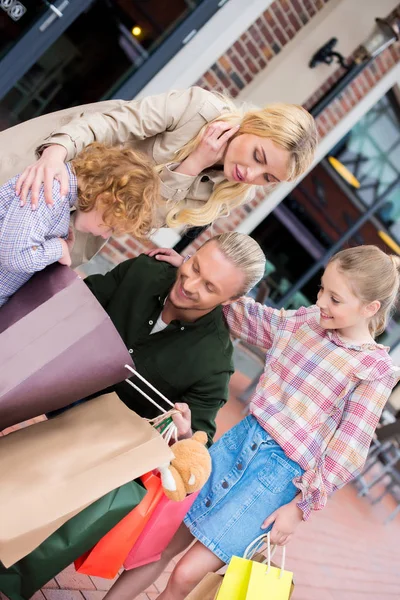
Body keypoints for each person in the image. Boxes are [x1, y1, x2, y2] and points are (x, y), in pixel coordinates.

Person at [103, 245, 400, 600]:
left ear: (370, 309)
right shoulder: (305, 322)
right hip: (237, 444)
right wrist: (194, 273)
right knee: (157, 544)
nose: (321, 301)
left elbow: (348, 450)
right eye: (322, 289)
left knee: (185, 575)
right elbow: (246, 315)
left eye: (335, 298)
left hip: (275, 479)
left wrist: (301, 506)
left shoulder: (375, 370)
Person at [0, 86, 318, 267]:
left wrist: (191, 166)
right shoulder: (199, 109)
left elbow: (144, 221)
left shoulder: (230, 194)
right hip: (60, 167)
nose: (251, 175)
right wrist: (54, 154)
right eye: (258, 157)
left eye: (267, 178)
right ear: (253, 125)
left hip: (79, 227)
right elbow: (110, 124)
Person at [67, 231, 266, 446]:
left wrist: (184, 435)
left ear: (230, 300)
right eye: (195, 267)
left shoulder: (214, 366)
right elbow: (78, 303)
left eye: (209, 287)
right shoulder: (145, 270)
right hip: (59, 380)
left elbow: (197, 445)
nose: (189, 285)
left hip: (98, 443)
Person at [0, 142, 158, 307]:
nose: (104, 235)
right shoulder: (51, 192)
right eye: (110, 227)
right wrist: (59, 248)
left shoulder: (59, 197)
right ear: (104, 200)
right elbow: (16, 257)